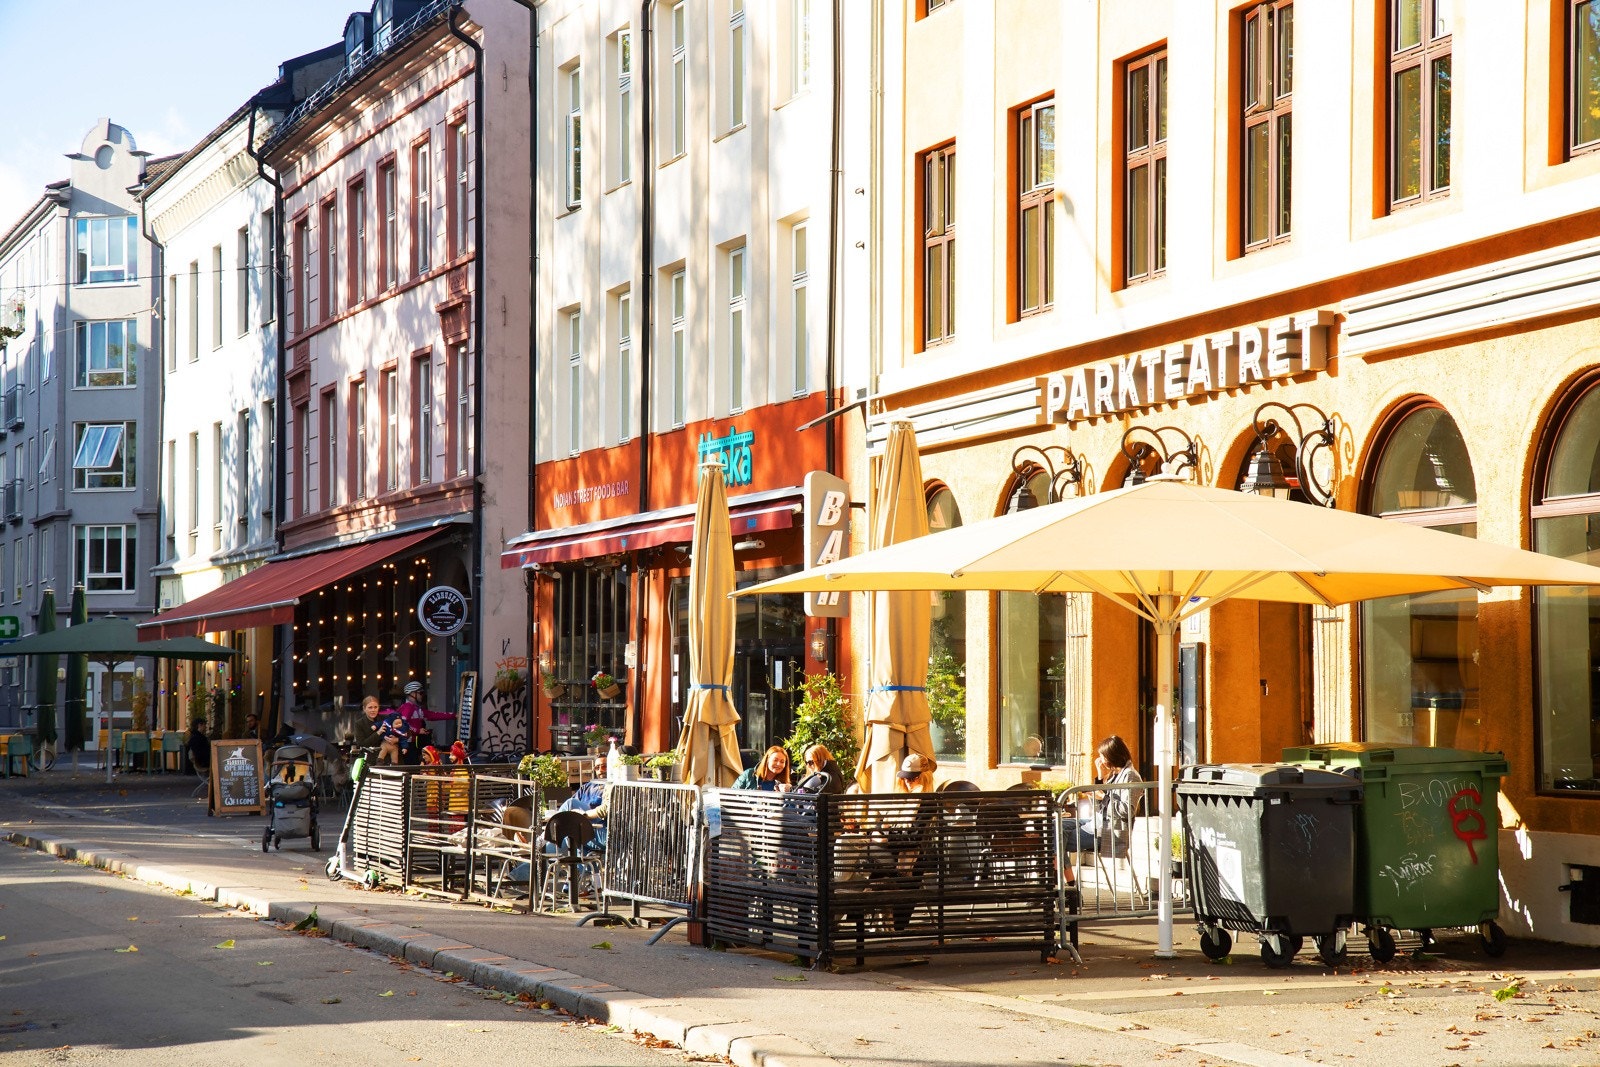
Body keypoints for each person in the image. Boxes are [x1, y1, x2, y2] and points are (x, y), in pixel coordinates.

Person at [1059, 735, 1142, 886]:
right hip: (1096, 822)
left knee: (1055, 838)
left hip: (1108, 831)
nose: (1101, 759)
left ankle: (1066, 887)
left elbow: (1126, 810)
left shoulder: (1130, 776)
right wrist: (1099, 775)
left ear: (1113, 755)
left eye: (1102, 756)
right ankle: (1070, 887)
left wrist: (1103, 797)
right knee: (1056, 826)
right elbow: (1102, 804)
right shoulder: (1116, 774)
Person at [399, 680, 453, 755]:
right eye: (420, 693)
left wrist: (453, 715)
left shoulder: (416, 708)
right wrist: (418, 730)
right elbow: (403, 723)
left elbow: (433, 715)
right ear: (412, 693)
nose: (422, 695)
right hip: (407, 743)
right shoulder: (407, 707)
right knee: (413, 765)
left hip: (413, 742)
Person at [361, 694, 409, 765]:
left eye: (375, 707)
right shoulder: (359, 724)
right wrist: (378, 733)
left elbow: (407, 731)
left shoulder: (388, 718)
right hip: (371, 760)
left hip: (391, 758)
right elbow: (362, 744)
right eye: (370, 708)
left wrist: (397, 739)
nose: (373, 710)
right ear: (364, 709)